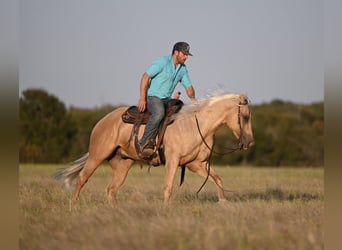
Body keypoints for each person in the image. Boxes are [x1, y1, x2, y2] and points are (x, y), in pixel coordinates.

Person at [137, 41, 196, 157]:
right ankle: (144, 142)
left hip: (166, 99)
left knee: (181, 112)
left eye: (187, 55)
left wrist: (194, 101)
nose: (186, 57)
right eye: (184, 54)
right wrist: (142, 98)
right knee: (159, 113)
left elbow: (188, 87)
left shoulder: (182, 69)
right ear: (176, 52)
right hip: (153, 98)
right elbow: (145, 77)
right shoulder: (162, 62)